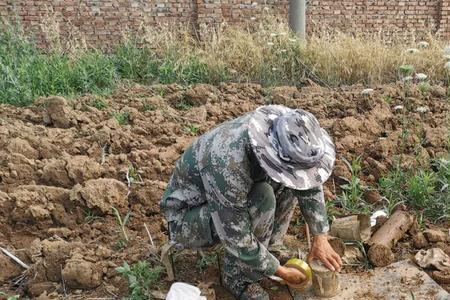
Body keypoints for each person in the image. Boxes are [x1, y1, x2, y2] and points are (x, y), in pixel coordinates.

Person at [160, 105, 342, 300]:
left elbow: (306, 179)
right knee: (263, 196)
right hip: (188, 218)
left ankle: (270, 250)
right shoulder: (227, 162)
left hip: (225, 201)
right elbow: (235, 235)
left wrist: (320, 235)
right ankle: (237, 276)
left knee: (291, 182)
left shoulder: (288, 128)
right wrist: (279, 271)